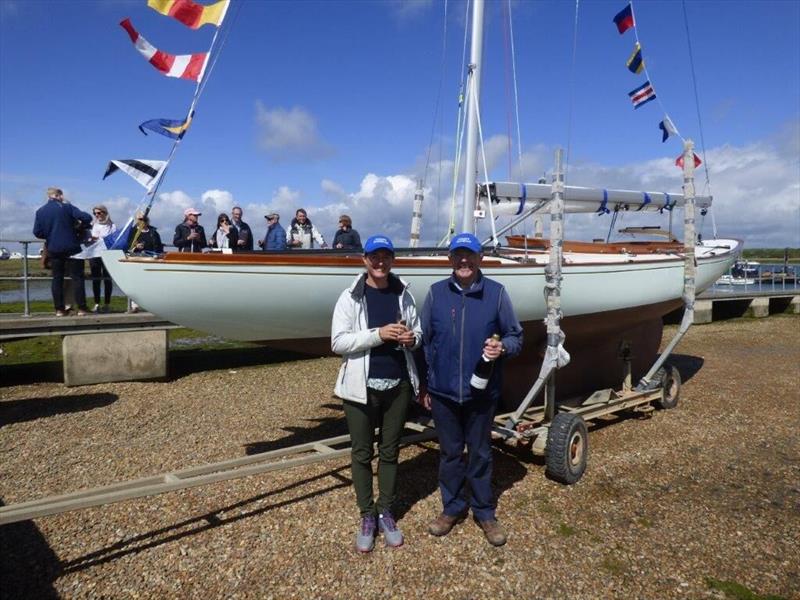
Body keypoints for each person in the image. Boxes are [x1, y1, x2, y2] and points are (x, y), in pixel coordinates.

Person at [420, 232, 523, 547]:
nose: (464, 261)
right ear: (450, 259)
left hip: (481, 394)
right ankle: (451, 508)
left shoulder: (496, 294)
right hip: (443, 394)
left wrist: (502, 347)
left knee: (479, 454)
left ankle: (484, 511)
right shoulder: (436, 294)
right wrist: (424, 384)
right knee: (450, 454)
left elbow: (516, 337)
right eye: (458, 255)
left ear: (480, 259)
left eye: (470, 255)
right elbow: (424, 342)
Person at [331, 235, 422, 552]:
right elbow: (338, 342)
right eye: (374, 256)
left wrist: (412, 339)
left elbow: (418, 332)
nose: (380, 261)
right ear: (364, 260)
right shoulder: (351, 296)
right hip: (360, 387)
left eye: (385, 256)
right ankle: (367, 514)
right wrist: (378, 335)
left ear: (392, 259)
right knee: (360, 453)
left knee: (390, 451)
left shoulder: (403, 293)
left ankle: (386, 510)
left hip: (398, 385)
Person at [32, 187, 92, 316]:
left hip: (53, 248)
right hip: (72, 247)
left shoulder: (40, 211)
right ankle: (82, 308)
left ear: (49, 196)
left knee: (57, 278)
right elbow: (87, 217)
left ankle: (59, 309)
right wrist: (78, 226)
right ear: (59, 195)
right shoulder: (67, 207)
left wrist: (50, 234)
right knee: (77, 278)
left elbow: (37, 232)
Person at [88, 205, 116, 313]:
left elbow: (113, 239)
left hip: (107, 255)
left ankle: (107, 304)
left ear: (105, 213)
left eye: (99, 213)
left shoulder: (112, 225)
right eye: (95, 213)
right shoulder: (92, 225)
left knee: (107, 280)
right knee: (96, 280)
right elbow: (88, 238)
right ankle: (97, 303)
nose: (97, 215)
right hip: (94, 254)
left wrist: (101, 239)